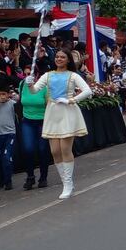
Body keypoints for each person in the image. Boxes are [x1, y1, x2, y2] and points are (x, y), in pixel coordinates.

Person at [25, 49, 92, 199]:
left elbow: (87, 91)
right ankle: (65, 182)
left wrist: (71, 100)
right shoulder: (48, 75)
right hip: (52, 113)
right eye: (57, 57)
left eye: (63, 57)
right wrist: (29, 84)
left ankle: (68, 184)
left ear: (68, 60)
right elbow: (35, 90)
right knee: (55, 151)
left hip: (67, 112)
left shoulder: (73, 75)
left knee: (65, 149)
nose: (59, 59)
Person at [18, 68, 50, 190]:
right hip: (27, 121)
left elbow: (49, 105)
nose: (27, 76)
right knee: (28, 149)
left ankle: (43, 177)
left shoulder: (44, 87)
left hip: (42, 121)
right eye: (25, 74)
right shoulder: (22, 84)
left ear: (37, 75)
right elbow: (21, 100)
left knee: (42, 149)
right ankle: (30, 177)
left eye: (29, 74)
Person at [0, 76, 17, 190]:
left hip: (9, 134)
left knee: (6, 157)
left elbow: (18, 98)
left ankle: (8, 180)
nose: (2, 97)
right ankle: (1, 180)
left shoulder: (11, 103)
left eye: (3, 94)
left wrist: (12, 95)